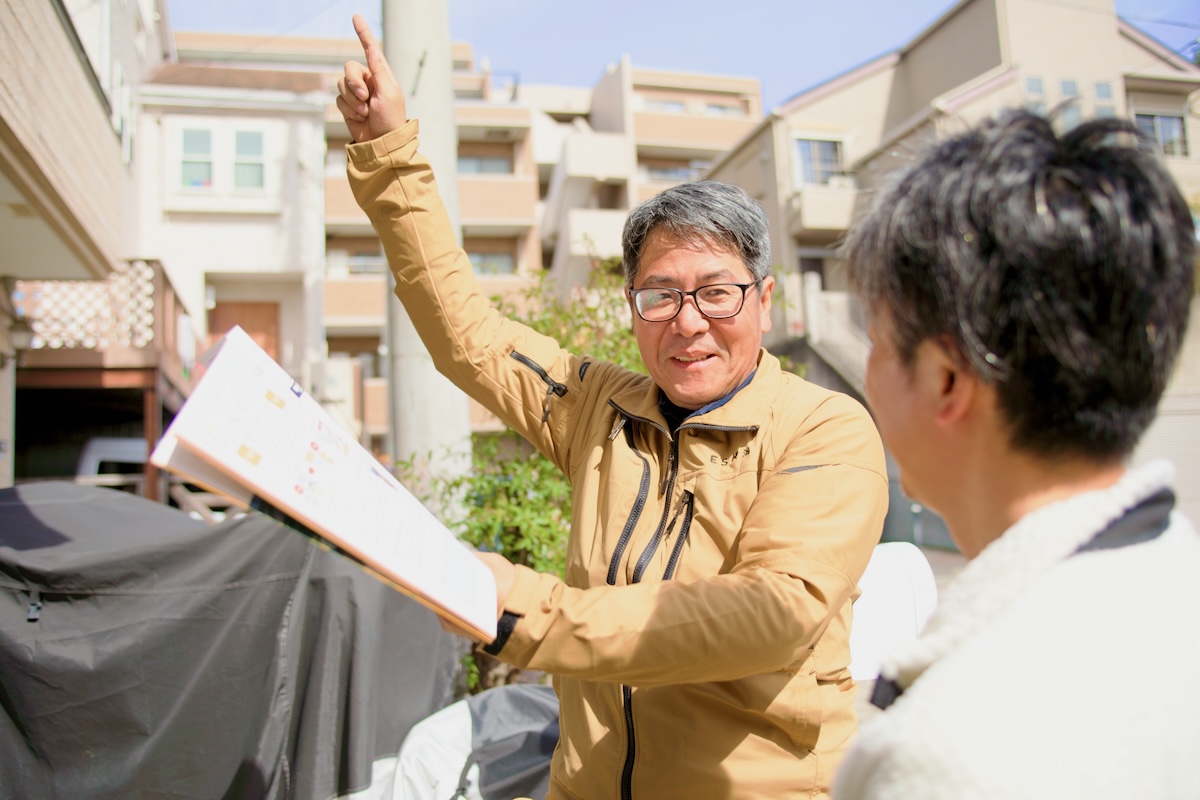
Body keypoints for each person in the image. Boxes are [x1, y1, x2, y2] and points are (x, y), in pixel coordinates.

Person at [337, 15, 887, 800]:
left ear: (764, 300)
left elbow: (775, 611)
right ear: (632, 307)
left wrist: (523, 609)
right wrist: (389, 155)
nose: (688, 320)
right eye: (659, 295)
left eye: (717, 292)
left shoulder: (824, 429)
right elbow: (466, 332)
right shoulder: (599, 409)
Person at [833, 109, 1200, 799]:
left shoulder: (941, 752)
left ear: (946, 378)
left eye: (876, 338)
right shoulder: (1173, 571)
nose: (869, 367)